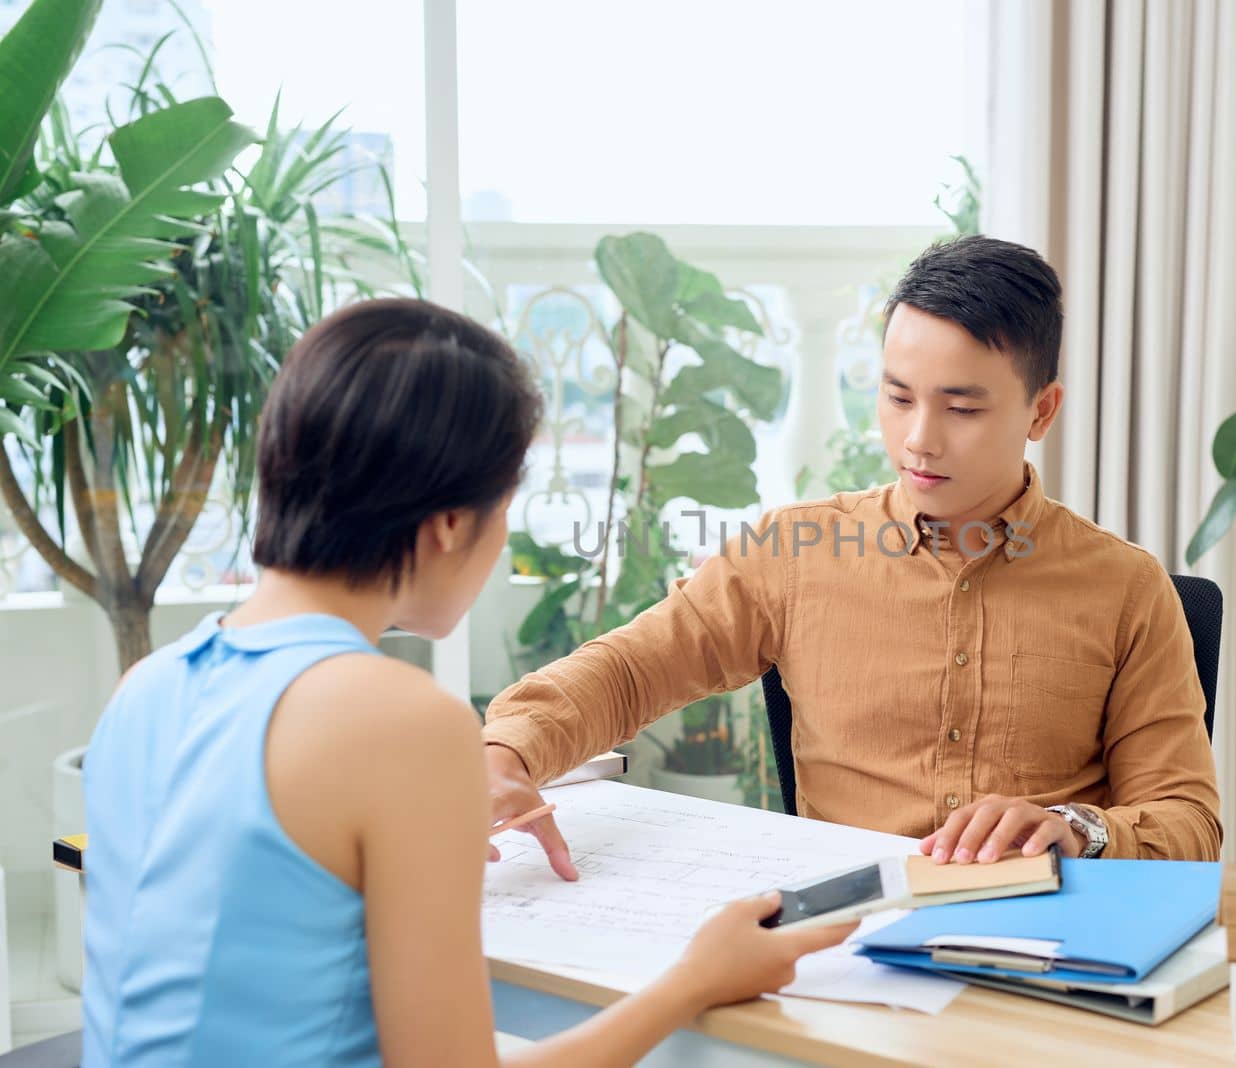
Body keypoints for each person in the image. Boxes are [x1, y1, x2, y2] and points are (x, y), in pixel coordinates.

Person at [81, 298, 854, 1068]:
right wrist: (694, 981)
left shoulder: (145, 688)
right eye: (505, 508)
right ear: (452, 523)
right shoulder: (400, 722)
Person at [484, 235, 1222, 878]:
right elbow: (629, 670)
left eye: (961, 409)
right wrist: (507, 753)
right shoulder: (794, 555)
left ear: (1041, 410)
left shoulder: (1127, 589)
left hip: (1051, 946)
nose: (919, 440)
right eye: (898, 397)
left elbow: (1189, 822)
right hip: (844, 947)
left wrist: (1078, 828)